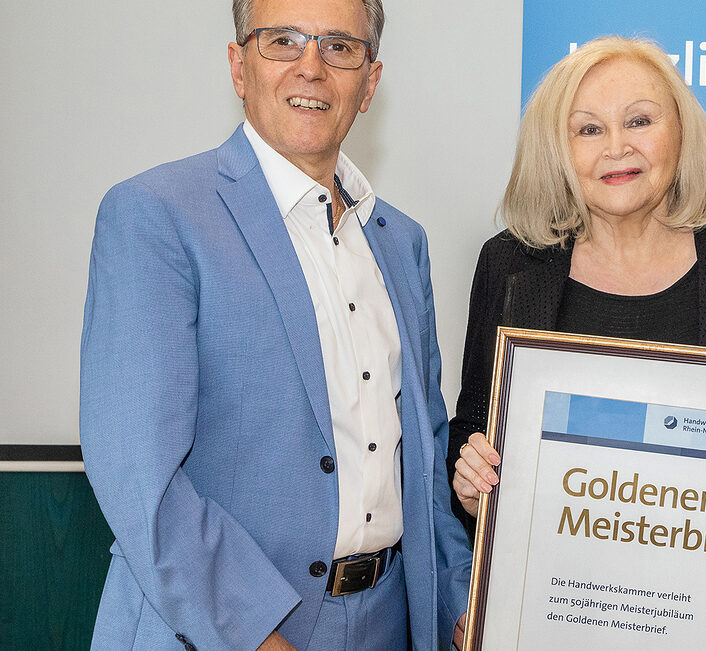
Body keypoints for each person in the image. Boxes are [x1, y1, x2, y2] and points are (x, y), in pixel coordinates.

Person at [79, 0, 473, 648]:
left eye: (339, 47)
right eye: (282, 41)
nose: (311, 67)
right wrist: (258, 635)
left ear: (370, 82)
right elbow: (139, 477)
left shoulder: (402, 243)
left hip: (386, 623)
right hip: (219, 629)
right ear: (239, 67)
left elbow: (424, 463)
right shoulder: (155, 217)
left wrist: (461, 606)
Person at [447, 35, 706, 606]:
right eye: (588, 129)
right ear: (558, 149)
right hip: (561, 611)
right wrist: (471, 483)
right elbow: (471, 424)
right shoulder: (510, 265)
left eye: (639, 121)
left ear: (681, 133)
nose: (617, 148)